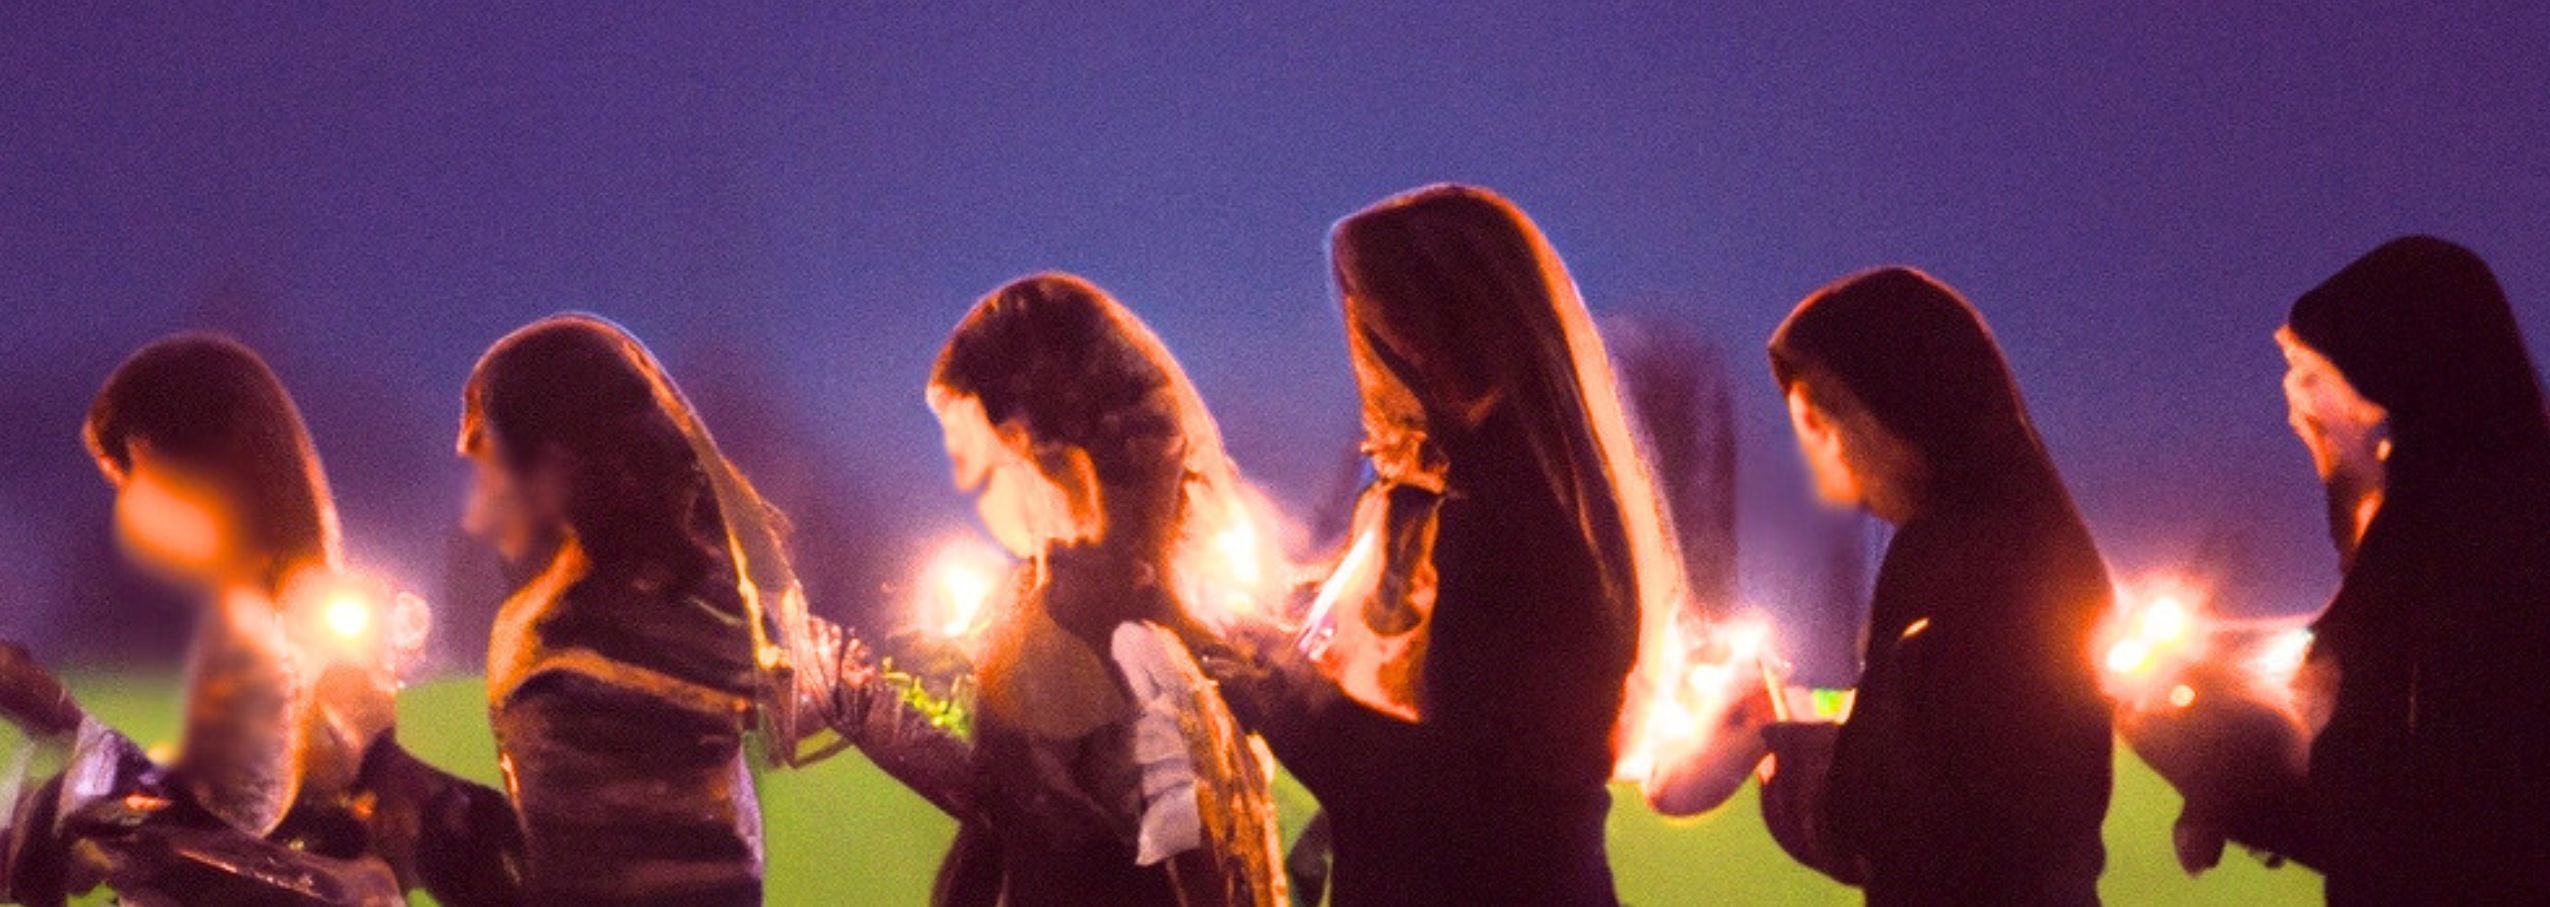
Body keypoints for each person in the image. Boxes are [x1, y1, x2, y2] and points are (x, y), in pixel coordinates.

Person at [1212, 184, 1681, 905]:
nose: (1370, 346)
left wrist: (1275, 692)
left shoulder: (1503, 516)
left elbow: (1451, 791)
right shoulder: (1528, 487)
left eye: (1379, 318)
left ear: (1431, 330)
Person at [0, 335, 485, 905]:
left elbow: (239, 833)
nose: (134, 507)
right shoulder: (264, 613)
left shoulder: (285, 623)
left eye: (139, 471)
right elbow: (204, 809)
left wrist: (60, 729)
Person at [913, 273, 1284, 906]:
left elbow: (1049, 848)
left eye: (969, 444)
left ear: (1027, 442)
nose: (965, 479)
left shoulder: (1066, 624)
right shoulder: (1165, 601)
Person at [1758, 268, 2113, 904]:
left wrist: (1783, 750)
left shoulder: (1951, 561)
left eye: (1811, 416)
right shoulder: (2031, 535)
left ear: (1873, 410)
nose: (1804, 444)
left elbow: (1896, 818)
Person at [2227, 237, 2550, 902]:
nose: (2295, 406)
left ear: (2398, 384)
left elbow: (2445, 844)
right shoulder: (2443, 551)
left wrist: (2227, 772)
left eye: (2313, 375)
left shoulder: (2483, 574)